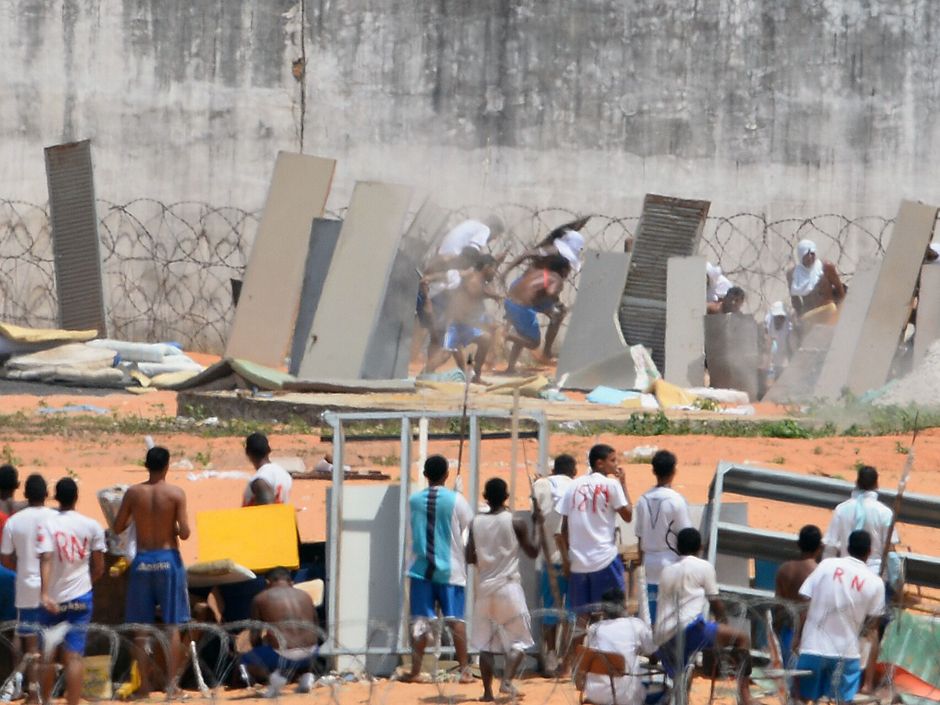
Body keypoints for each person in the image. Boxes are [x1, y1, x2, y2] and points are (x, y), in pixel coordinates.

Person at [114, 447, 191, 697]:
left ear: (145, 465)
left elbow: (118, 527)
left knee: (140, 628)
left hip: (143, 560)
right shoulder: (176, 493)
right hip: (168, 559)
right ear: (167, 466)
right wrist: (175, 530)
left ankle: (143, 687)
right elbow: (186, 532)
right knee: (173, 626)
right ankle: (172, 685)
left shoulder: (134, 493)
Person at [654, 528, 755, 705]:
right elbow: (716, 603)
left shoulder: (667, 571)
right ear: (700, 546)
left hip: (664, 636)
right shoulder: (704, 567)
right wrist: (723, 627)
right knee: (741, 638)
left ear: (678, 548)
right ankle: (745, 696)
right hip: (690, 630)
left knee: (683, 671)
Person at [556, 444, 632, 674]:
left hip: (579, 562)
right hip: (605, 559)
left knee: (581, 617)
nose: (615, 464)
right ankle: (614, 661)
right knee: (614, 612)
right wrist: (624, 484)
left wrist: (569, 559)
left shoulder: (574, 486)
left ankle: (569, 664)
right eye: (612, 460)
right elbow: (628, 515)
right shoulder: (611, 485)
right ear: (600, 463)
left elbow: (563, 528)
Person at [401, 455, 474, 683]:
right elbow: (469, 528)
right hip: (451, 569)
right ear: (446, 475)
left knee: (421, 622)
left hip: (421, 569)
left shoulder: (413, 501)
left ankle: (415, 671)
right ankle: (464, 671)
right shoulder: (456, 500)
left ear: (425, 475)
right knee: (456, 621)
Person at [466, 478, 540, 701]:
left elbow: (469, 556)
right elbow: (533, 551)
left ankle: (487, 692)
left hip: (485, 589)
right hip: (509, 588)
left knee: (485, 645)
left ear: (485, 497)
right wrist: (537, 523)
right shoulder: (515, 522)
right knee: (519, 640)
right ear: (506, 497)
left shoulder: (475, 523)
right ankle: (506, 681)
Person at [795, 530, 885, 704]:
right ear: (869, 552)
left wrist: (797, 637)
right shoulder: (875, 583)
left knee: (803, 698)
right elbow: (872, 628)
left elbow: (804, 602)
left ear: (847, 548)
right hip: (847, 653)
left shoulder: (826, 565)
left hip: (812, 647)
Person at [37, 478, 106, 705]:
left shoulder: (47, 524)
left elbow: (45, 557)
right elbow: (99, 567)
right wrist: (86, 583)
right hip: (81, 597)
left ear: (56, 498)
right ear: (77, 497)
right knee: (74, 656)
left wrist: (45, 593)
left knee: (47, 654)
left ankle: (46, 700)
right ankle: (73, 702)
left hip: (53, 599)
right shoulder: (91, 525)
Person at [0, 474, 55, 703]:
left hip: (25, 583)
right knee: (50, 637)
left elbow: (5, 558)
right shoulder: (57, 518)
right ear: (46, 494)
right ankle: (47, 689)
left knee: (24, 636)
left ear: (25, 494)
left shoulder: (14, 521)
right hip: (52, 585)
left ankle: (22, 686)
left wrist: (21, 568)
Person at [633, 450, 693, 626]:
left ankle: (655, 650)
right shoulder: (676, 500)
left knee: (651, 615)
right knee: (672, 615)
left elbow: (639, 536)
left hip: (650, 561)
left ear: (653, 471)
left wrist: (641, 564)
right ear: (674, 471)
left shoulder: (643, 499)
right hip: (671, 560)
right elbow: (686, 536)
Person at [531, 453, 577, 674]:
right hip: (575, 559)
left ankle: (550, 653)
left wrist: (539, 483)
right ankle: (566, 659)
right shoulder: (578, 485)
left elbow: (536, 516)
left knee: (550, 609)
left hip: (549, 557)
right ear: (573, 471)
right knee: (573, 612)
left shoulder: (541, 485)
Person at [240, 567, 318, 695]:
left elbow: (255, 635)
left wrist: (260, 653)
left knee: (245, 659)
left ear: (267, 582)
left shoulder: (260, 598)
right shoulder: (306, 596)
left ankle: (276, 677)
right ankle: (306, 676)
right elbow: (315, 625)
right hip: (311, 652)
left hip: (284, 654)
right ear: (290, 581)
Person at [581, 588, 656, 705]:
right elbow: (652, 650)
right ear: (624, 606)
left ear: (603, 609)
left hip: (594, 694)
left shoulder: (593, 629)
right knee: (662, 686)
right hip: (624, 697)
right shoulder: (635, 625)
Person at [824, 465, 897, 575]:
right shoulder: (885, 513)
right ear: (876, 485)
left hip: (845, 573)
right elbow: (890, 550)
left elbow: (831, 546)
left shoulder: (841, 509)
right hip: (874, 574)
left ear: (856, 483)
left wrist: (826, 573)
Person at [503, 254, 571, 372]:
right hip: (522, 306)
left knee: (521, 336)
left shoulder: (538, 271)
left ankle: (510, 367)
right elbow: (551, 293)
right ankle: (505, 335)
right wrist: (558, 305)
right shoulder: (557, 279)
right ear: (564, 270)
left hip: (509, 300)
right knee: (533, 343)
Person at [440, 254, 500, 382]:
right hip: (454, 324)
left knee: (485, 339)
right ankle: (426, 373)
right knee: (444, 355)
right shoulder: (473, 280)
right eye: (493, 269)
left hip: (464, 323)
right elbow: (478, 293)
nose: (495, 272)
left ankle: (475, 376)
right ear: (486, 267)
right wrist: (493, 296)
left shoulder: (480, 280)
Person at [773, 525, 822, 662]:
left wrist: (775, 632)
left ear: (798, 544)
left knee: (787, 677)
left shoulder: (785, 569)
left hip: (788, 629)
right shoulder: (820, 572)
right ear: (820, 547)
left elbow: (778, 606)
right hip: (811, 635)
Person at [787, 239, 845, 318]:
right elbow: (795, 300)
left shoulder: (826, 267)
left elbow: (840, 290)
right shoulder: (794, 274)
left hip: (829, 313)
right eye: (806, 254)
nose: (810, 257)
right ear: (801, 256)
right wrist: (800, 319)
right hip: (811, 316)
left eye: (812, 253)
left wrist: (841, 313)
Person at [243, 432, 293, 506]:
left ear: (247, 452)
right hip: (281, 516)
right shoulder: (283, 474)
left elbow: (267, 505)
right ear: (269, 450)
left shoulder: (260, 479)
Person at [763, 301, 794, 379]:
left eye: (782, 317)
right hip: (770, 365)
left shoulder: (788, 328)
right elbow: (767, 347)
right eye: (777, 317)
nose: (780, 320)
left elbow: (790, 347)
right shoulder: (768, 324)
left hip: (781, 361)